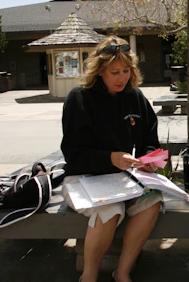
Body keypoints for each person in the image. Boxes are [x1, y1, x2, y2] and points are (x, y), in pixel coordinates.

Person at [60, 36, 162, 282]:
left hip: (123, 179)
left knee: (153, 202)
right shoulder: (79, 98)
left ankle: (123, 272)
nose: (122, 78)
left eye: (126, 70)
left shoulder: (135, 97)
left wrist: (150, 160)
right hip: (83, 177)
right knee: (110, 209)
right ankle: (89, 274)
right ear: (99, 71)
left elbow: (151, 140)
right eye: (114, 72)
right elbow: (73, 153)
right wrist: (111, 158)